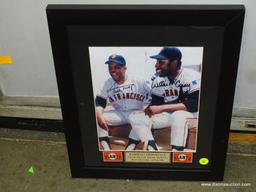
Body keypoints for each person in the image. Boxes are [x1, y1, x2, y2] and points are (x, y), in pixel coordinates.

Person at [95, 54, 158, 151]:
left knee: (137, 119)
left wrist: (149, 106)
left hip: (137, 112)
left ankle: (148, 145)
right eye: (110, 67)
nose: (112, 70)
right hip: (119, 114)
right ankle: (105, 146)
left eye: (117, 67)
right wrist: (99, 115)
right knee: (97, 116)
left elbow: (156, 93)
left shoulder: (138, 80)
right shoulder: (108, 83)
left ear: (125, 68)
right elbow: (100, 100)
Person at [145, 47, 200, 151]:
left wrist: (161, 108)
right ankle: (151, 147)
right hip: (168, 115)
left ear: (174, 62)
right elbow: (155, 103)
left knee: (178, 115)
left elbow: (195, 104)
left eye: (161, 62)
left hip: (192, 115)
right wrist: (148, 110)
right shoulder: (159, 80)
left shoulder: (192, 76)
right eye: (157, 62)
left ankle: (177, 151)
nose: (156, 66)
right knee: (138, 117)